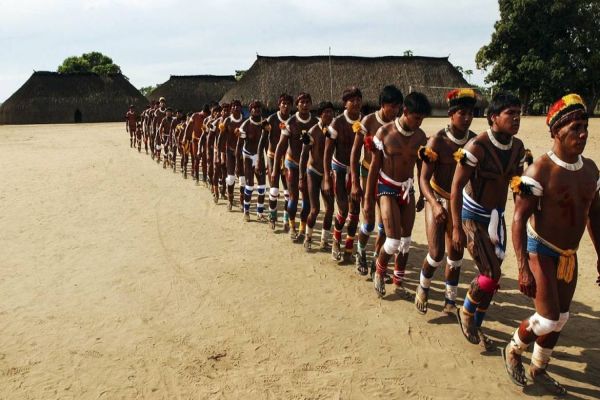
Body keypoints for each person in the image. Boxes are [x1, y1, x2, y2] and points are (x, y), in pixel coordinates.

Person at [503, 94, 600, 395]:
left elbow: (595, 216)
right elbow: (518, 219)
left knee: (561, 319)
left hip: (569, 255)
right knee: (547, 318)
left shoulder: (591, 170)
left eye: (585, 127)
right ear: (557, 131)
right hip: (540, 248)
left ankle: (539, 367)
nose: (583, 134)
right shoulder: (539, 171)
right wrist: (523, 267)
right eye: (575, 128)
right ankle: (513, 349)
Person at [450, 92, 526, 351]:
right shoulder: (477, 147)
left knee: (491, 281)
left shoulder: (518, 148)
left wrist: (522, 218)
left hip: (496, 218)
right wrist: (456, 227)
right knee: (490, 274)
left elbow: (517, 187)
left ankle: (477, 324)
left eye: (518, 113)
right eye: (510, 113)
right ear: (494, 117)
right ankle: (466, 312)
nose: (516, 118)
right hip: (472, 216)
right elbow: (456, 187)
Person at [414, 89, 477, 315]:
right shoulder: (437, 141)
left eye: (470, 113)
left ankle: (450, 300)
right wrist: (434, 203)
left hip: (460, 203)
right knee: (436, 252)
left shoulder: (474, 142)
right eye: (462, 113)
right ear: (451, 114)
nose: (467, 118)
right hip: (437, 196)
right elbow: (423, 179)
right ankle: (423, 287)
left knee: (456, 254)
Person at [364, 92, 429, 297]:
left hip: (407, 189)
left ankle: (398, 282)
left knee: (405, 242)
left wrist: (422, 194)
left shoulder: (420, 137)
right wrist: (368, 200)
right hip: (386, 188)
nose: (419, 123)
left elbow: (421, 168)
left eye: (422, 119)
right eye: (416, 118)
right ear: (405, 111)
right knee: (392, 241)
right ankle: (379, 271)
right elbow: (374, 168)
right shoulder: (384, 133)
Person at [351, 85, 403, 277]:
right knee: (369, 221)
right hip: (367, 173)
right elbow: (355, 153)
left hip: (386, 179)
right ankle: (360, 251)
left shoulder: (397, 124)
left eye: (398, 107)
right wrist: (355, 182)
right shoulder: (368, 121)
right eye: (392, 106)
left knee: (384, 225)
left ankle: (376, 260)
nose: (396, 111)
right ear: (382, 104)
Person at [323, 87, 364, 262]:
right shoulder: (337, 123)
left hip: (355, 169)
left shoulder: (365, 121)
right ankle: (336, 240)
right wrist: (326, 177)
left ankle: (349, 248)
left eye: (358, 99)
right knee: (343, 209)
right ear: (345, 103)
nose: (356, 103)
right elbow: (327, 153)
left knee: (355, 211)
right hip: (338, 169)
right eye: (351, 100)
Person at [272, 93, 319, 240]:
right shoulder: (290, 123)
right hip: (292, 163)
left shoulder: (316, 122)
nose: (305, 105)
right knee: (293, 197)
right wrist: (274, 170)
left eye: (307, 102)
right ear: (297, 105)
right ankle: (292, 226)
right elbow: (280, 147)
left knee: (307, 200)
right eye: (302, 102)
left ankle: (302, 228)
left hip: (308, 166)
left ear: (311, 104)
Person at [299, 101, 335, 250]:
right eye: (326, 112)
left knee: (330, 208)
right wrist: (301, 178)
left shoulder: (334, 130)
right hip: (313, 172)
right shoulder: (312, 131)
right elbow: (303, 156)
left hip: (328, 173)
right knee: (314, 209)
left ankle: (324, 240)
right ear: (320, 114)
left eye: (331, 112)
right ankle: (308, 237)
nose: (329, 115)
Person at [236, 100, 267, 221]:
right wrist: (238, 164)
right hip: (248, 156)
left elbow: (267, 142)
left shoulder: (265, 123)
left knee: (262, 187)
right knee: (249, 186)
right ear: (250, 111)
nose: (257, 110)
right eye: (254, 108)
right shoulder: (245, 125)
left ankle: (260, 212)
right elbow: (239, 144)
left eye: (259, 108)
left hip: (260, 156)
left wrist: (269, 161)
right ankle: (246, 211)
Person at [266, 94, 293, 230]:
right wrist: (260, 159)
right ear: (279, 105)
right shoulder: (271, 119)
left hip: (287, 158)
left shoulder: (293, 121)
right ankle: (272, 216)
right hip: (272, 156)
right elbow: (263, 140)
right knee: (274, 189)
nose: (286, 106)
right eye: (283, 103)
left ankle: (286, 218)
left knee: (288, 191)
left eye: (288, 104)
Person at [218, 100, 244, 211]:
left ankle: (242, 202)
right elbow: (221, 137)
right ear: (231, 109)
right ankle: (230, 200)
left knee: (242, 178)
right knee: (230, 178)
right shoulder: (227, 120)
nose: (236, 108)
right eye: (234, 106)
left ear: (241, 108)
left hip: (242, 153)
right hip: (230, 151)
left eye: (238, 106)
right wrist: (219, 154)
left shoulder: (244, 121)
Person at [153, 97, 167, 162]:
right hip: (158, 129)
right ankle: (158, 156)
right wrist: (153, 129)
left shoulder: (167, 111)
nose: (162, 103)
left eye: (163, 102)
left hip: (166, 130)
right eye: (161, 102)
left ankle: (166, 157)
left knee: (166, 143)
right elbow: (154, 121)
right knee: (158, 142)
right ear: (159, 103)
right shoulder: (157, 111)